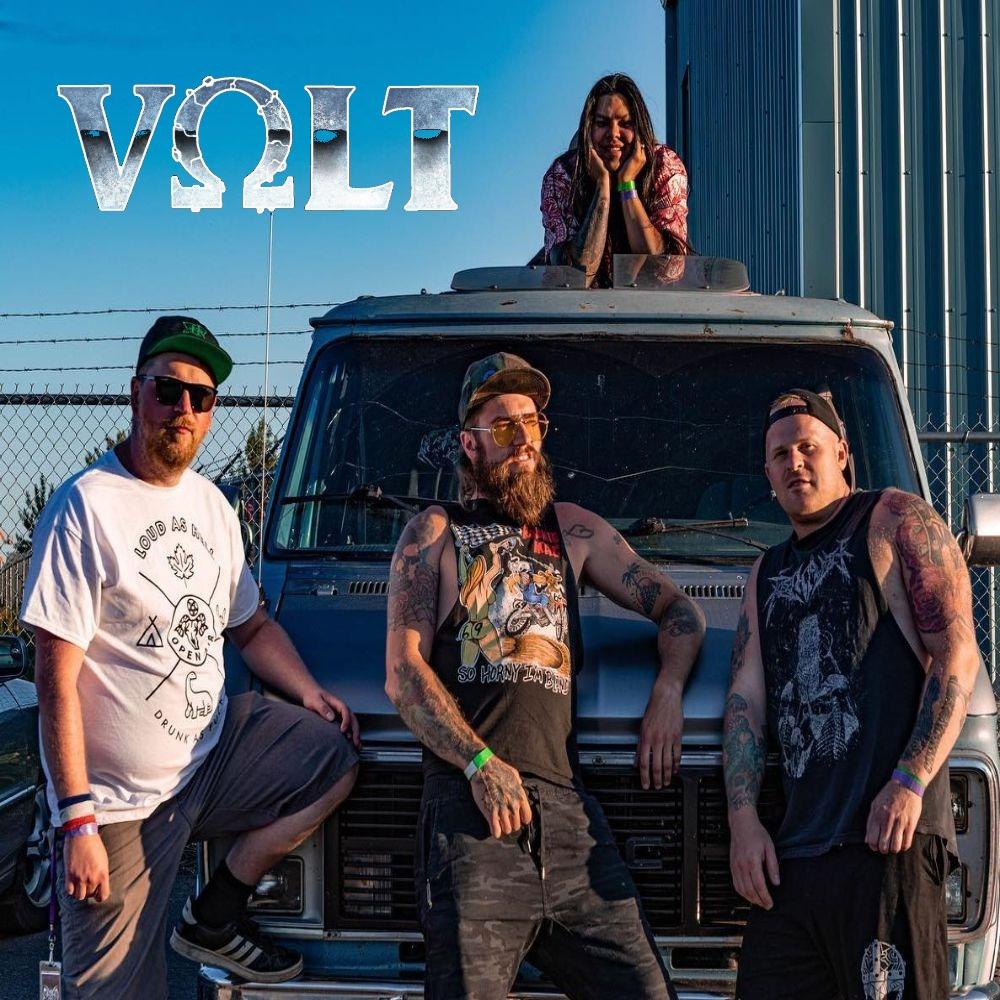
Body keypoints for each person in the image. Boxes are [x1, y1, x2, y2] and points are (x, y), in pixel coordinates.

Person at [19, 316, 361, 997]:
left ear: (210, 414)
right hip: (116, 806)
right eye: (168, 390)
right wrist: (77, 819)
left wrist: (309, 693)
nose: (183, 408)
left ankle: (213, 915)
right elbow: (55, 680)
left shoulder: (212, 507)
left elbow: (251, 627)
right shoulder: (83, 508)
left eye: (200, 398)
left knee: (333, 756)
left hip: (210, 760)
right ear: (135, 392)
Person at [385, 352, 706, 999]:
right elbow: (403, 673)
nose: (524, 440)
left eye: (532, 423)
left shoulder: (573, 529)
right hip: (472, 817)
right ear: (470, 443)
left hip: (568, 820)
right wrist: (480, 764)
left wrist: (668, 690)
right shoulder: (436, 534)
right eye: (505, 427)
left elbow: (680, 611)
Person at [723, 389, 977, 998]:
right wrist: (743, 823)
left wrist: (910, 780)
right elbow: (745, 704)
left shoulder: (894, 519)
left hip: (888, 843)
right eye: (780, 455)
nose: (795, 463)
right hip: (795, 858)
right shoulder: (766, 572)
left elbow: (958, 655)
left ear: (841, 452)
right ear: (767, 476)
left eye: (807, 447)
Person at [541, 72, 689, 288]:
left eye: (625, 123)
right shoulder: (562, 175)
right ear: (588, 129)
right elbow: (574, 278)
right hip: (582, 307)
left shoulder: (664, 165)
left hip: (650, 306)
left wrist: (627, 184)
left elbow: (664, 270)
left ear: (639, 128)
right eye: (602, 123)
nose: (613, 134)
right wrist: (602, 186)